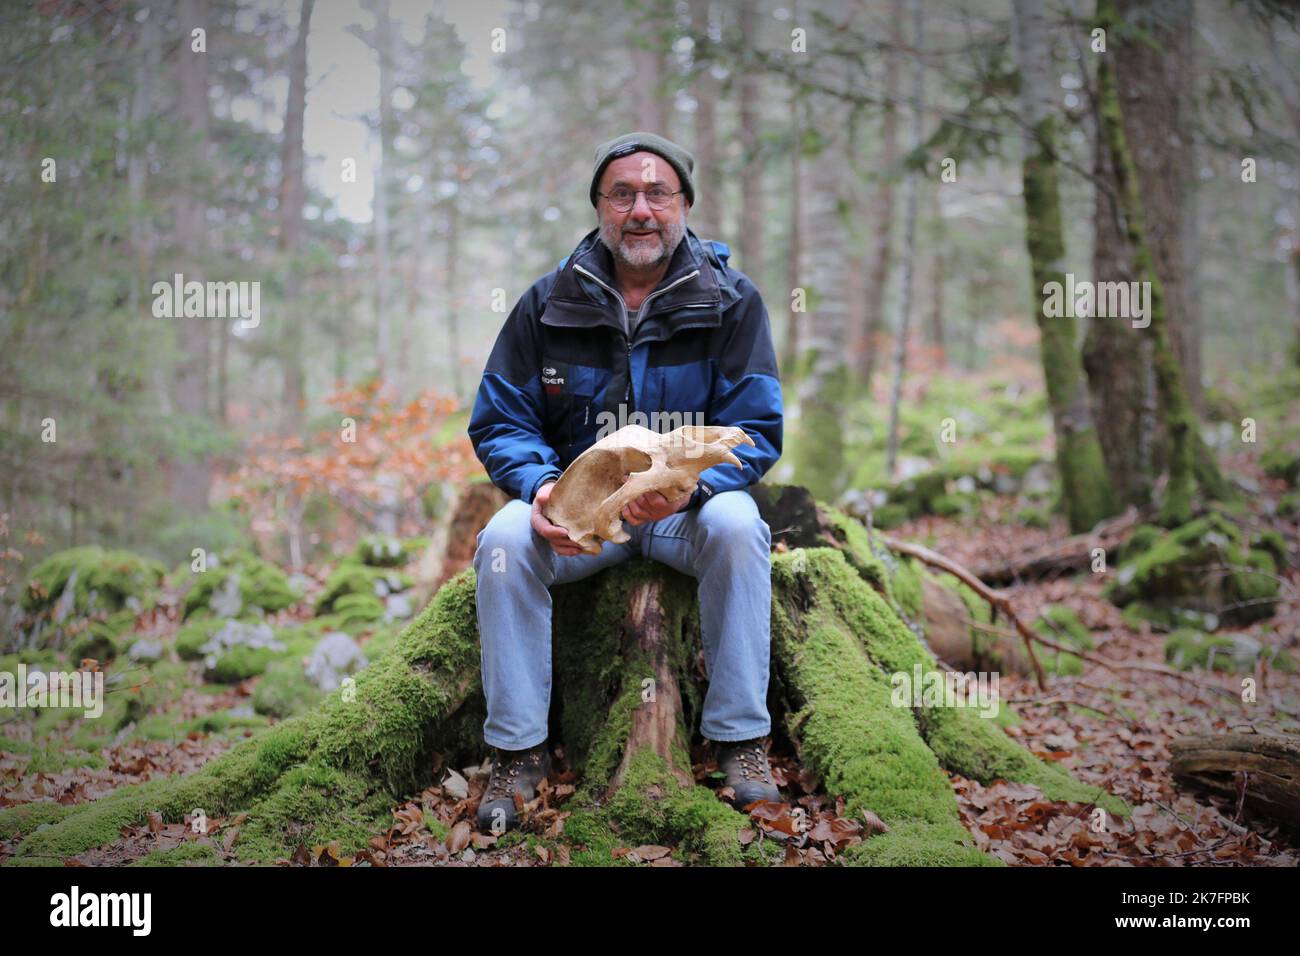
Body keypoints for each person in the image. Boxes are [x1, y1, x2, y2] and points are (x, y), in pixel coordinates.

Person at [466, 131, 784, 833]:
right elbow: (499, 421)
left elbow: (756, 429)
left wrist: (692, 487)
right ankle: (517, 753)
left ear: (685, 205)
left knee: (739, 525)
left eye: (657, 193)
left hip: (682, 514)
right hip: (580, 517)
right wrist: (542, 489)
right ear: (600, 209)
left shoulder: (732, 301)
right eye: (623, 194)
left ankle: (741, 741)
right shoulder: (548, 304)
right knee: (502, 539)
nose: (641, 209)